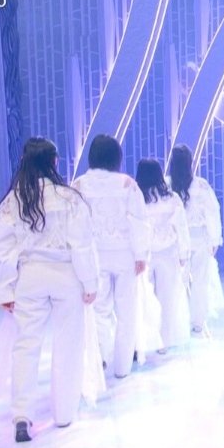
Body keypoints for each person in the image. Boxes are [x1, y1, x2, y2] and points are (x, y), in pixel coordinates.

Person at [0, 138, 99, 442]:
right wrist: (90, 283)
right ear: (54, 162)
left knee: (26, 345)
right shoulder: (69, 198)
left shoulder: (15, 200)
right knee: (68, 343)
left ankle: (22, 416)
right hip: (66, 275)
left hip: (30, 276)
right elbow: (82, 245)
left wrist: (4, 289)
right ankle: (63, 413)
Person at [72, 135, 149, 378]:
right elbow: (139, 220)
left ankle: (101, 360)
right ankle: (122, 368)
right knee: (127, 312)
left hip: (94, 256)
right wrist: (141, 254)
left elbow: (75, 226)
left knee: (99, 310)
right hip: (125, 255)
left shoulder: (79, 185)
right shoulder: (127, 183)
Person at [136, 158, 191, 352]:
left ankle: (145, 341)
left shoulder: (137, 199)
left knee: (144, 299)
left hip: (145, 255)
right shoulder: (172, 198)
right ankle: (163, 341)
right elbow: (181, 228)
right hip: (168, 252)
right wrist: (184, 254)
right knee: (167, 299)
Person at [169, 145, 224, 336]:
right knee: (200, 281)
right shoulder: (201, 186)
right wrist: (215, 239)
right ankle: (197, 322)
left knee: (176, 282)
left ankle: (177, 321)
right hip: (199, 239)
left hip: (175, 241)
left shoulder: (166, 185)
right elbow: (212, 213)